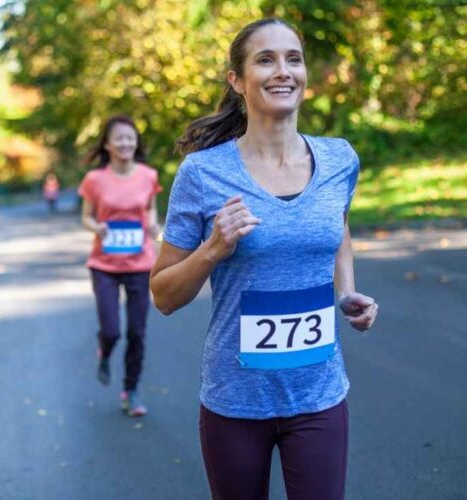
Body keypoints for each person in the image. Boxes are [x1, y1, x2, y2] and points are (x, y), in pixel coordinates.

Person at [150, 19, 379, 499]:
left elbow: (336, 225)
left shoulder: (339, 160)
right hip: (235, 399)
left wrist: (347, 290)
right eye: (265, 59)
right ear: (236, 80)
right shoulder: (203, 173)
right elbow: (163, 294)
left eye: (293, 58)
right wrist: (212, 250)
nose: (283, 71)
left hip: (319, 393)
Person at [78, 115, 162, 417]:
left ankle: (131, 390)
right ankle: (105, 348)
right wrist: (96, 227)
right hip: (104, 265)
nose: (126, 143)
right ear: (108, 144)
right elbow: (85, 216)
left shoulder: (148, 176)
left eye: (131, 137)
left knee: (137, 332)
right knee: (113, 330)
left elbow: (149, 211)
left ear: (135, 142)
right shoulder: (94, 180)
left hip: (140, 263)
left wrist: (152, 227)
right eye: (120, 138)